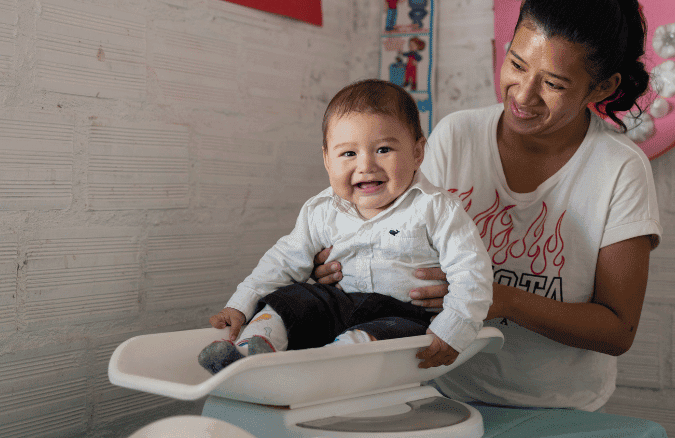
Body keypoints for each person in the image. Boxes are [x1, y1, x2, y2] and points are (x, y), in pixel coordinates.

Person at [314, 0, 662, 411]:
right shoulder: (457, 135)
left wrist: (502, 300)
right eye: (517, 64)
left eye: (554, 84)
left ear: (603, 87)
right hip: (441, 391)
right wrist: (342, 258)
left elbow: (618, 330)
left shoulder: (620, 169)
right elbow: (394, 235)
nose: (523, 94)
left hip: (559, 411)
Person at [199, 79, 493, 374]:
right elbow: (283, 261)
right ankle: (250, 349)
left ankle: (328, 363)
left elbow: (471, 273)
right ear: (327, 159)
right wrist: (240, 305)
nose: (366, 165)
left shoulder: (436, 208)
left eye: (383, 149)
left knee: (389, 334)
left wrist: (453, 327)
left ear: (417, 153)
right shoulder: (322, 210)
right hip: (337, 304)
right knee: (290, 300)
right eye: (348, 153)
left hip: (403, 314)